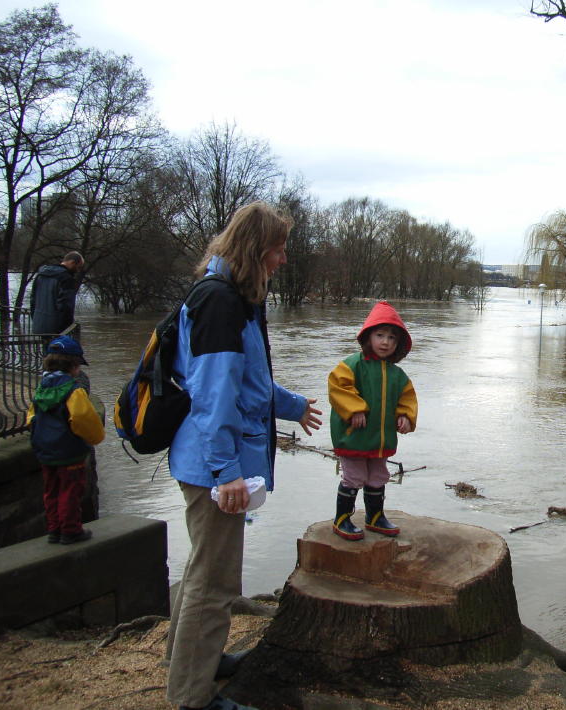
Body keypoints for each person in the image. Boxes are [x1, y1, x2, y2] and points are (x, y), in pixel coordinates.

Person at [164, 202, 323, 710]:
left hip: (211, 460)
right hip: (213, 465)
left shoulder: (234, 298)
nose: (282, 258)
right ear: (257, 249)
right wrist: (227, 472)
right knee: (214, 585)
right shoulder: (221, 303)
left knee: (201, 574)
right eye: (278, 248)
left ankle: (196, 663)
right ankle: (192, 697)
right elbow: (212, 396)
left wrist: (294, 407)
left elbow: (249, 382)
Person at [328, 300, 418, 540]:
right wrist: (354, 408)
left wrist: (406, 417)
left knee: (378, 476)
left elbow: (407, 398)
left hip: (380, 439)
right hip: (355, 436)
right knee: (354, 477)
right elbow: (338, 386)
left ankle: (375, 516)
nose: (385, 342)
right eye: (380, 335)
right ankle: (342, 518)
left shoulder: (397, 375)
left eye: (392, 338)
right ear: (368, 336)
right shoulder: (352, 364)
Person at [26, 335, 104, 545]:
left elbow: (32, 417)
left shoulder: (42, 388)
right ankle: (71, 530)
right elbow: (82, 418)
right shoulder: (73, 390)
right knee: (70, 491)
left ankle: (54, 529)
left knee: (51, 490)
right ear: (73, 366)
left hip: (46, 452)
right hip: (69, 452)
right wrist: (96, 437)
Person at [30, 251, 84, 335]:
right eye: (78, 267)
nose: (77, 270)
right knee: (57, 347)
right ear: (72, 262)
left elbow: (33, 301)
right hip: (56, 329)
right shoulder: (66, 279)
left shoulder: (40, 275)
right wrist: (67, 328)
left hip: (38, 325)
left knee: (45, 347)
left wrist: (36, 320)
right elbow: (65, 306)